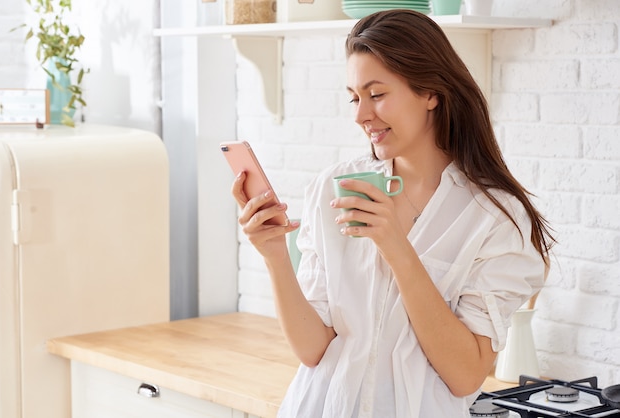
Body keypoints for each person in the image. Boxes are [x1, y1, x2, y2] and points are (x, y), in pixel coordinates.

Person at [230, 9, 555, 418]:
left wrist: (396, 247)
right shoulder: (334, 187)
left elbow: (465, 375)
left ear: (430, 92)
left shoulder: (492, 218)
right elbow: (314, 350)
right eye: (354, 97)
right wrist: (276, 255)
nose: (360, 114)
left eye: (377, 94)